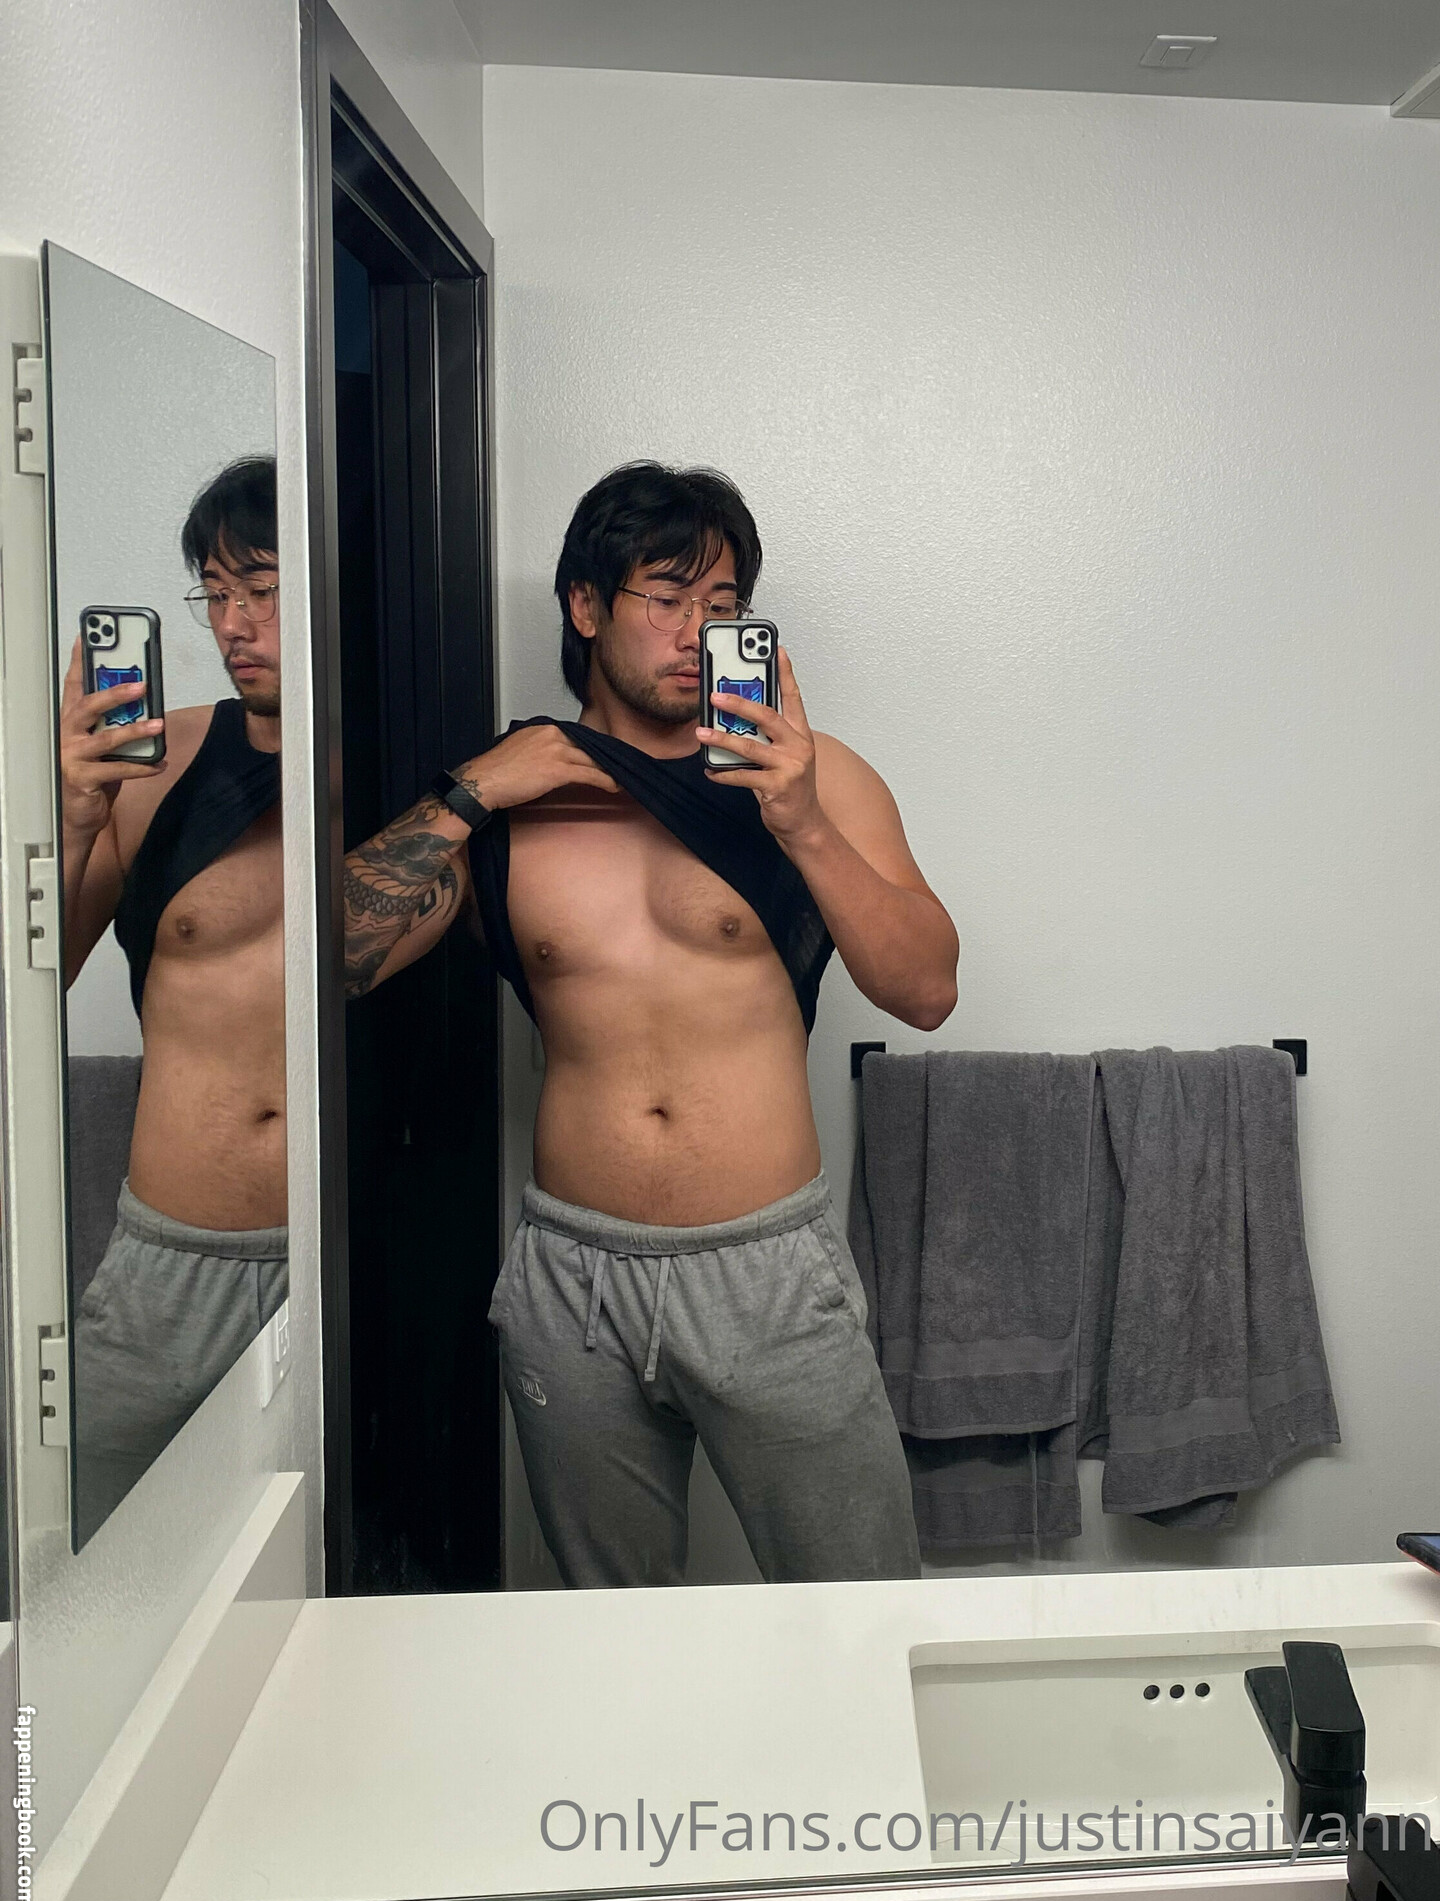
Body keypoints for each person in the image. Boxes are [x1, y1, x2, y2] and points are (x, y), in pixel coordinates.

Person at [343, 462, 959, 1586]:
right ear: (586, 607)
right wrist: (472, 791)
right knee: (608, 1626)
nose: (696, 632)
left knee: (858, 1604)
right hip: (573, 1281)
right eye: (667, 598)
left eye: (722, 606)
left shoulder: (814, 781)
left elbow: (926, 991)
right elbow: (334, 963)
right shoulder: (510, 803)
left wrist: (804, 825)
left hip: (769, 1273)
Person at [61, 456, 289, 1520]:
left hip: (350, 1257)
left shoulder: (421, 772)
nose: (233, 624)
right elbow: (38, 981)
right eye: (216, 593)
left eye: (263, 589)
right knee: (80, 1551)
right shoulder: (153, 770)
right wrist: (73, 815)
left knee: (333, 1566)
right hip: (172, 1259)